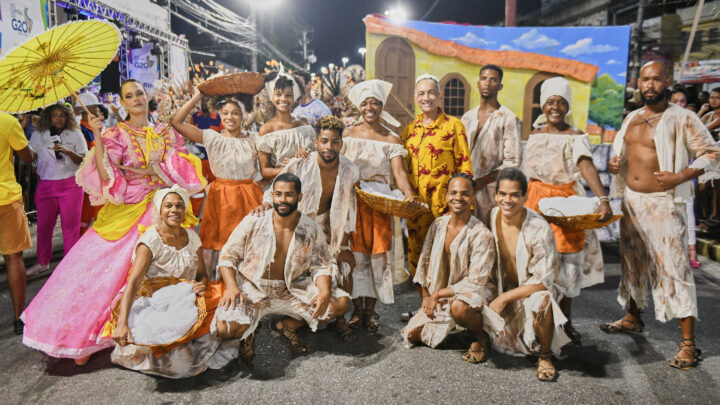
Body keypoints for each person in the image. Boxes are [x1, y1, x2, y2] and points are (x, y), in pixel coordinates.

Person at [21, 79, 205, 366]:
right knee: (106, 267)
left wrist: (160, 167)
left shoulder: (164, 129)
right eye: (129, 96)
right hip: (131, 206)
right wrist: (97, 134)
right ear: (122, 102)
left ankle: (159, 328)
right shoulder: (116, 133)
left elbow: (180, 161)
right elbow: (107, 174)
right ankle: (91, 333)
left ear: (147, 97)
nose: (135, 99)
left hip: (163, 202)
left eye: (139, 94)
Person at [603, 61, 720, 370]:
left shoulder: (683, 118)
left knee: (674, 269)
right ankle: (632, 317)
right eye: (645, 79)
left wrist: (681, 176)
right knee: (633, 264)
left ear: (667, 81)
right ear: (638, 82)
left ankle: (688, 345)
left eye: (656, 79)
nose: (650, 85)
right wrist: (618, 167)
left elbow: (711, 153)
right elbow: (625, 157)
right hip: (632, 202)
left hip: (664, 204)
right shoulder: (631, 119)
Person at [212, 173, 351, 359]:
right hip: (253, 289)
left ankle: (287, 326)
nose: (282, 200)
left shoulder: (310, 227)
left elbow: (321, 265)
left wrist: (324, 291)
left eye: (289, 195)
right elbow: (228, 257)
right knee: (225, 330)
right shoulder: (254, 220)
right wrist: (231, 287)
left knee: (340, 304)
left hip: (292, 289)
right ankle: (250, 329)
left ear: (299, 197)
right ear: (273, 196)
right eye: (278, 194)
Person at [253, 116, 359, 341]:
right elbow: (275, 190)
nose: (329, 147)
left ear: (341, 143)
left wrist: (343, 241)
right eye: (324, 141)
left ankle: (336, 320)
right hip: (298, 229)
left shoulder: (349, 168)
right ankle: (290, 316)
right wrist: (265, 203)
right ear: (316, 142)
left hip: (329, 229)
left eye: (334, 142)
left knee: (345, 266)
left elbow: (349, 206)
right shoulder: (300, 163)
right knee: (292, 276)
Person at [523, 77, 612, 344]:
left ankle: (566, 322)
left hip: (565, 205)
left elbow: (586, 166)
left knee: (567, 266)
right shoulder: (535, 135)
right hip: (535, 202)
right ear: (543, 105)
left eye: (561, 102)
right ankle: (536, 322)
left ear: (568, 107)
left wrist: (603, 199)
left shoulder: (576, 137)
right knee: (536, 264)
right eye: (550, 102)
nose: (555, 107)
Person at [110, 186, 232, 378]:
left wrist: (201, 283)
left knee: (229, 302)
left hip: (186, 298)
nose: (174, 210)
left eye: (179, 206)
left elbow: (202, 274)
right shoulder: (150, 240)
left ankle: (187, 342)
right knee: (180, 365)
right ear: (159, 210)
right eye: (168, 206)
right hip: (156, 303)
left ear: (185, 211)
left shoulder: (191, 237)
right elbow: (133, 283)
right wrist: (121, 324)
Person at [341, 79, 419, 332]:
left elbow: (399, 173)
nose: (370, 107)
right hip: (352, 203)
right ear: (359, 107)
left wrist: (408, 195)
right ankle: (356, 310)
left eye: (375, 103)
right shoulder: (348, 134)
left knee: (377, 257)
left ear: (381, 106)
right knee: (355, 257)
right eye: (365, 103)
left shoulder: (391, 138)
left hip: (379, 205)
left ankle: (371, 311)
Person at [401, 174, 498, 363]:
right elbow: (425, 263)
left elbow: (476, 281)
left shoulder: (481, 234)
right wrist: (427, 296)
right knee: (412, 334)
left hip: (476, 291)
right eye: (453, 193)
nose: (458, 198)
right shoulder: (438, 225)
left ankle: (480, 337)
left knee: (460, 308)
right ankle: (454, 325)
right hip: (444, 291)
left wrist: (436, 295)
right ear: (446, 196)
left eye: (465, 194)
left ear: (472, 198)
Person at [487, 168, 570, 382]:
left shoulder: (538, 228)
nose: (508, 200)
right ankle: (479, 340)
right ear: (495, 196)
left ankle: (545, 356)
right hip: (506, 286)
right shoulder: (493, 214)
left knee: (541, 302)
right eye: (503, 194)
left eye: (514, 195)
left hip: (534, 289)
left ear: (525, 196)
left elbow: (543, 281)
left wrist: (503, 298)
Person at [171, 88, 263, 280]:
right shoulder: (212, 137)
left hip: (249, 199)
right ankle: (219, 287)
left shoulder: (255, 139)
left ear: (244, 115)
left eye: (235, 113)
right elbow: (176, 122)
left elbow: (268, 168)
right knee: (217, 243)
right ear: (220, 115)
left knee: (249, 245)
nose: (230, 117)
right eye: (226, 113)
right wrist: (198, 95)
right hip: (220, 200)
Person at [401, 74, 473, 312]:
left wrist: (465, 207)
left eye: (431, 92)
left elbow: (465, 166)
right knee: (417, 256)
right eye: (421, 93)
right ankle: (425, 305)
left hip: (445, 208)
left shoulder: (454, 126)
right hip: (417, 208)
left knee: (446, 258)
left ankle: (448, 309)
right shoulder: (409, 131)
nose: (426, 97)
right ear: (415, 98)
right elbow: (401, 168)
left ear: (440, 96)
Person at [26, 104, 87, 276]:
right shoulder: (39, 134)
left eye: (62, 115)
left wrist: (68, 151)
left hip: (71, 185)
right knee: (44, 227)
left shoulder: (75, 133)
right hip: (46, 185)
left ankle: (70, 266)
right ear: (48, 117)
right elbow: (29, 154)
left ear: (67, 117)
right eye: (54, 115)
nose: (58, 118)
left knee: (70, 228)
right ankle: (42, 262)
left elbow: (83, 159)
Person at [461, 65, 522, 224]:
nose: (487, 83)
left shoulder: (508, 118)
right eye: (484, 78)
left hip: (492, 189)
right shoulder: (467, 117)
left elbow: (513, 162)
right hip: (466, 187)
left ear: (500, 86)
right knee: (467, 231)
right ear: (478, 83)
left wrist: (482, 181)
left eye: (493, 80)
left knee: (490, 232)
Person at [0, 113, 35, 334]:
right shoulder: (7, 121)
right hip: (6, 198)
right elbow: (28, 156)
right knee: (13, 257)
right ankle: (17, 317)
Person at [257, 71, 317, 182]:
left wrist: (308, 154)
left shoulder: (303, 123)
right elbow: (264, 171)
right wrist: (286, 168)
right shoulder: (266, 130)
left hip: (308, 182)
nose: (283, 99)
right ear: (271, 96)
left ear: (295, 97)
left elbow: (317, 153)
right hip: (282, 186)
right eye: (278, 94)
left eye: (288, 95)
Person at [76, 92, 105, 236]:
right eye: (96, 107)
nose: (98, 110)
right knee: (86, 216)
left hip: (99, 181)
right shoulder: (81, 131)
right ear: (88, 108)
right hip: (88, 183)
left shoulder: (93, 130)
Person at [189, 93, 223, 183]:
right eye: (202, 100)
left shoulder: (218, 118)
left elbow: (224, 137)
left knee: (214, 185)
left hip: (213, 159)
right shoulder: (194, 117)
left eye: (207, 100)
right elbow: (190, 138)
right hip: (197, 159)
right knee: (198, 184)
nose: (204, 103)